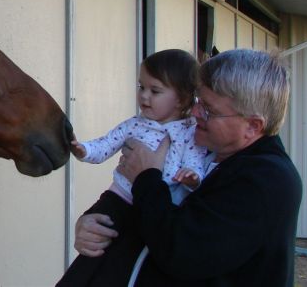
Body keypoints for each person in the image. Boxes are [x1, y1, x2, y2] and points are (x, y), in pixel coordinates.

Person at [57, 49, 302, 287]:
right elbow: (140, 203)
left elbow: (183, 252)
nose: (195, 113)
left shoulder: (266, 181)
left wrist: (146, 177)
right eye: (198, 101)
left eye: (209, 110)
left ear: (253, 126)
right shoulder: (208, 149)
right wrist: (93, 222)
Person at [57, 49, 207, 287]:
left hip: (156, 206)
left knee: (126, 258)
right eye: (141, 87)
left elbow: (194, 160)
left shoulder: (190, 131)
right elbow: (106, 143)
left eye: (155, 91)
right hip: (117, 199)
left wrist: (193, 176)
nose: (144, 96)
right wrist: (84, 150)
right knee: (93, 250)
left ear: (182, 98)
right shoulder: (134, 124)